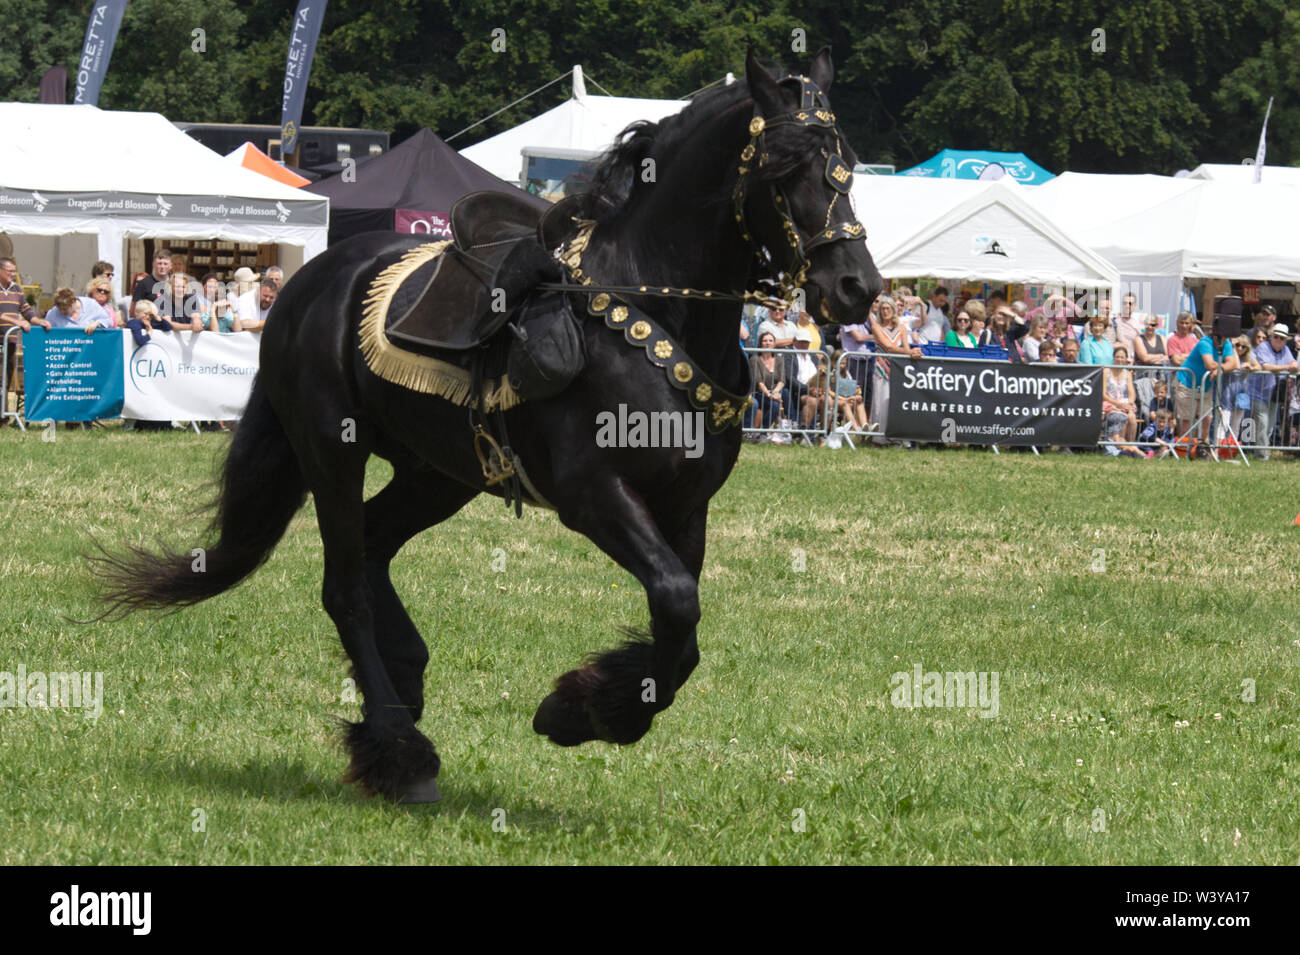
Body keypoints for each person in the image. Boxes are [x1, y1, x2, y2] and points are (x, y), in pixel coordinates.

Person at [1174, 315, 1240, 443]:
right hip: (1187, 383)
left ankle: (1200, 446)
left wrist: (1220, 369)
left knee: (1207, 418)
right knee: (1188, 419)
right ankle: (1185, 448)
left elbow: (1234, 364)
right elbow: (1209, 364)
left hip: (1206, 386)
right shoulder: (1205, 342)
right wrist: (1223, 367)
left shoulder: (1226, 343)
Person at [868, 294, 923, 445]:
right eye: (883, 309)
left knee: (895, 402)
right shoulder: (876, 327)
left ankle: (897, 435)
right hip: (881, 368)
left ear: (893, 310)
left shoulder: (901, 328)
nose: (885, 311)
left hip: (898, 369)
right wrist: (910, 352)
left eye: (888, 308)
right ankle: (879, 437)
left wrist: (913, 353)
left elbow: (905, 347)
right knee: (880, 403)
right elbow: (888, 346)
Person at [1248, 323, 1298, 459]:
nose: (1278, 340)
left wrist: (1291, 366)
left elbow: (1294, 365)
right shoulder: (1263, 347)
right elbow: (1266, 366)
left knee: (1269, 427)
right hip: (1258, 393)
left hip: (1274, 395)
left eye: (1282, 338)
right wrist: (1287, 367)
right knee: (1262, 423)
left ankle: (1259, 451)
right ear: (1271, 337)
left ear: (1285, 340)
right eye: (1276, 337)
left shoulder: (1286, 350)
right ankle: (1262, 457)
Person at [749, 331, 786, 434]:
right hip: (760, 393)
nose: (768, 343)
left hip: (775, 392)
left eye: (770, 341)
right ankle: (760, 432)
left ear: (774, 344)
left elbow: (782, 380)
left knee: (781, 399)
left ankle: (764, 431)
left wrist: (775, 392)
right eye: (765, 341)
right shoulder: (755, 359)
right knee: (774, 404)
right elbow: (759, 381)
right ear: (760, 344)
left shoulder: (779, 359)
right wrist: (769, 394)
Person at [1102, 343, 1139, 441]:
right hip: (1110, 403)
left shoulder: (1127, 373)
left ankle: (1130, 445)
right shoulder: (1106, 371)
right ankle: (1120, 445)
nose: (1120, 359)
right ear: (1113, 358)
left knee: (1132, 419)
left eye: (1122, 357)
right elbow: (1103, 394)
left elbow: (1132, 393)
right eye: (1117, 357)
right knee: (1122, 418)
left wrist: (1128, 403)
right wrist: (1118, 404)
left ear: (1126, 359)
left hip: (1124, 403)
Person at [830, 348, 867, 430]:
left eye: (844, 363)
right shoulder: (829, 373)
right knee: (845, 404)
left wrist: (857, 395)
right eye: (841, 363)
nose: (843, 366)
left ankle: (865, 425)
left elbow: (852, 387)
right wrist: (845, 399)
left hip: (846, 398)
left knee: (859, 402)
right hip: (834, 400)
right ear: (834, 362)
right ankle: (856, 429)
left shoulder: (847, 373)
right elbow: (828, 392)